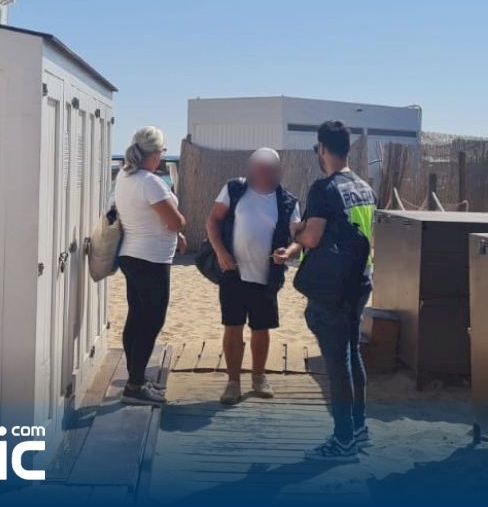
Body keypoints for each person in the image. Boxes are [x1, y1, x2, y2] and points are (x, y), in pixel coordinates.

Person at [293, 121, 377, 462]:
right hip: (361, 283)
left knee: (338, 363)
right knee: (353, 354)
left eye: (318, 149)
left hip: (333, 290)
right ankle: (359, 428)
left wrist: (295, 230)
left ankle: (343, 440)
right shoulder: (365, 188)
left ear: (323, 149)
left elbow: (312, 238)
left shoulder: (323, 189)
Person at [205, 148, 302, 405]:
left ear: (277, 171)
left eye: (268, 169)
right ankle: (233, 383)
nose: (262, 174)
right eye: (258, 168)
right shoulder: (234, 190)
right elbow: (212, 222)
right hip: (232, 273)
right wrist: (221, 252)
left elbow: (299, 239)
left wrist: (288, 252)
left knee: (261, 329)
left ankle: (259, 377)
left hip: (267, 277)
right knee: (232, 327)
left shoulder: (288, 201)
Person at [113, 126, 187, 406]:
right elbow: (175, 221)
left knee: (136, 317)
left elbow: (146, 215)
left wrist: (175, 233)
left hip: (131, 255)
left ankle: (136, 377)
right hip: (151, 260)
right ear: (156, 153)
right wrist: (180, 227)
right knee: (151, 321)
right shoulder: (150, 182)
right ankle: (134, 386)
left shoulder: (125, 175)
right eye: (162, 152)